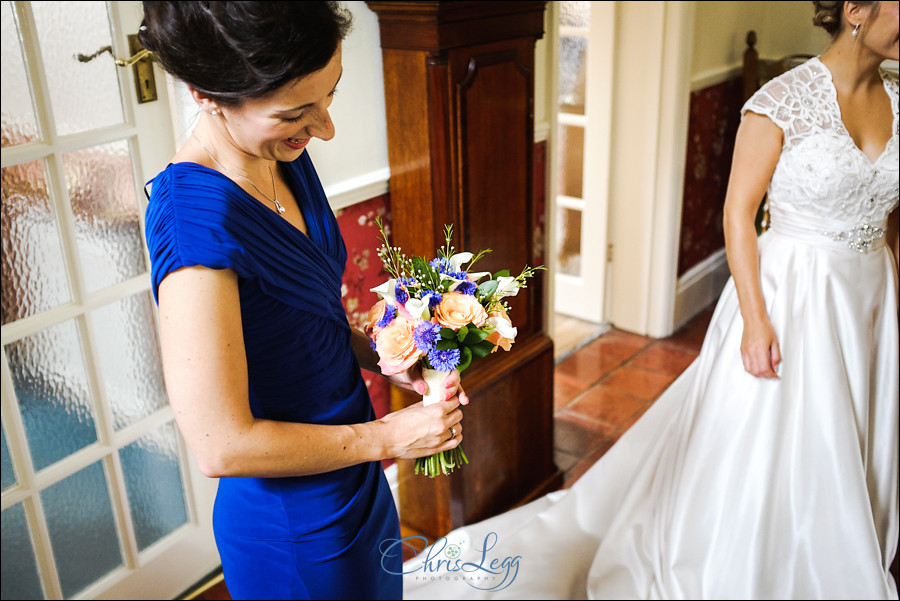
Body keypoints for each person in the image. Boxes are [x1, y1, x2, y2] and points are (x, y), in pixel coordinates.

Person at [400, 1, 899, 599]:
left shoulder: (898, 96)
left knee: (857, 426)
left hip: (869, 294)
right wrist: (756, 323)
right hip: (793, 295)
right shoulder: (782, 100)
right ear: (857, 10)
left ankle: (842, 542)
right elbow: (739, 214)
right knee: (783, 438)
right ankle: (765, 561)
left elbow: (888, 216)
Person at [138, 3, 468, 599]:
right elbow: (221, 444)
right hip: (298, 527)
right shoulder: (195, 225)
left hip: (354, 472)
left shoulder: (280, 155)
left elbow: (302, 325)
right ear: (205, 93)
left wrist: (392, 356)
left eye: (330, 96)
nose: (325, 129)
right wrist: (391, 439)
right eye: (295, 112)